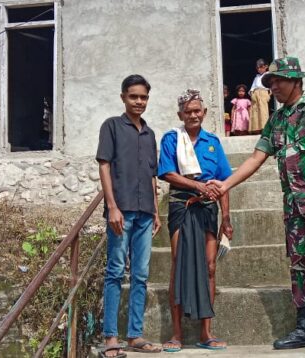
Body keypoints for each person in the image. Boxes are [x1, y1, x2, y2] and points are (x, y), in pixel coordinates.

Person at [207, 56, 305, 355]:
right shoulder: (277, 120)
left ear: (296, 80)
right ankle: (304, 327)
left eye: (279, 82)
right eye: (270, 83)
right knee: (300, 264)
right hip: (294, 205)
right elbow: (256, 158)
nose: (274, 88)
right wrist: (225, 185)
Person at [157, 89, 233, 353]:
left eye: (197, 111)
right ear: (181, 114)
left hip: (209, 210)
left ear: (204, 113)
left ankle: (206, 332)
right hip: (181, 206)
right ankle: (176, 334)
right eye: (188, 112)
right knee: (178, 264)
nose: (193, 115)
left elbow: (224, 181)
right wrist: (197, 186)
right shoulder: (171, 139)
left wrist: (227, 218)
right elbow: (166, 172)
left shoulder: (213, 142)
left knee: (210, 267)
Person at [96, 74, 162, 357]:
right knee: (114, 272)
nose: (139, 102)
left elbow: (152, 176)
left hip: (146, 213)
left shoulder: (149, 134)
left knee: (141, 274)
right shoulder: (111, 126)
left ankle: (134, 335)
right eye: (134, 96)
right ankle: (111, 336)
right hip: (121, 212)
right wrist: (112, 207)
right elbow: (104, 166)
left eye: (144, 97)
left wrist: (157, 211)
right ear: (123, 97)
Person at [248, 58, 271, 135]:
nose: (259, 69)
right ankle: (256, 129)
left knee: (263, 111)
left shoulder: (268, 75)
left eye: (261, 67)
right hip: (255, 94)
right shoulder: (256, 77)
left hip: (263, 93)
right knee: (255, 112)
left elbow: (271, 86)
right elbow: (252, 87)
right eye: (257, 68)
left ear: (266, 66)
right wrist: (252, 94)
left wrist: (268, 94)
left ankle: (264, 129)